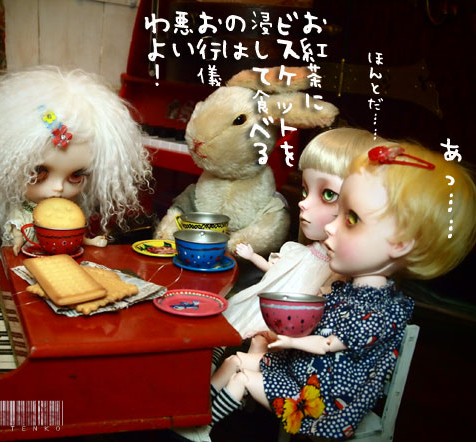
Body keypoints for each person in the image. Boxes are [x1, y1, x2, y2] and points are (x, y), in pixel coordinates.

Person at [182, 141, 476, 441]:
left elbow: (327, 344)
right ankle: (191, 411)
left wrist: (289, 340)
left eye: (352, 219)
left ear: (401, 243)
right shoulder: (345, 292)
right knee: (235, 360)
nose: (332, 228)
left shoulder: (378, 311)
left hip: (322, 399)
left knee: (243, 378)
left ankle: (202, 429)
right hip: (301, 372)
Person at [0, 66, 151, 254]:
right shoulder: (23, 211)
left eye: (76, 176)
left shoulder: (70, 211)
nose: (58, 188)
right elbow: (16, 231)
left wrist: (89, 241)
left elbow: (76, 237)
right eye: (39, 173)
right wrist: (17, 238)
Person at [224, 127, 391, 339]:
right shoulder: (301, 252)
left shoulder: (340, 272)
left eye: (328, 194)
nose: (303, 203)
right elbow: (275, 272)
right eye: (305, 191)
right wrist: (251, 256)